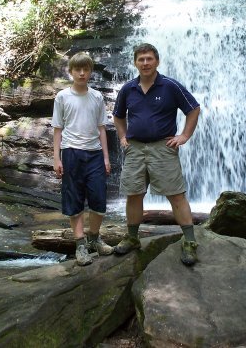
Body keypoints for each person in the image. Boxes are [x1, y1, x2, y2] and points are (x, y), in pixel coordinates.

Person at [112, 43, 201, 266]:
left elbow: (193, 108)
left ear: (157, 61)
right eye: (141, 59)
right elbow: (118, 115)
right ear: (135, 63)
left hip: (164, 147)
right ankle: (132, 237)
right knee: (134, 194)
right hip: (135, 148)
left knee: (176, 194)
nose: (145, 63)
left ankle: (189, 241)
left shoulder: (170, 86)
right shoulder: (127, 89)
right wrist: (122, 137)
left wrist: (184, 136)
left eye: (149, 59)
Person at [52, 52, 114, 266]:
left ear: (90, 72)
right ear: (71, 72)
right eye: (77, 69)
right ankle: (80, 245)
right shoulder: (62, 97)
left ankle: (94, 239)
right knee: (74, 200)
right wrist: (56, 158)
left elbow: (102, 129)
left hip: (95, 153)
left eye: (85, 69)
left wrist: (106, 157)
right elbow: (58, 130)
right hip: (71, 153)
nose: (81, 73)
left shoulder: (97, 96)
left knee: (99, 201)